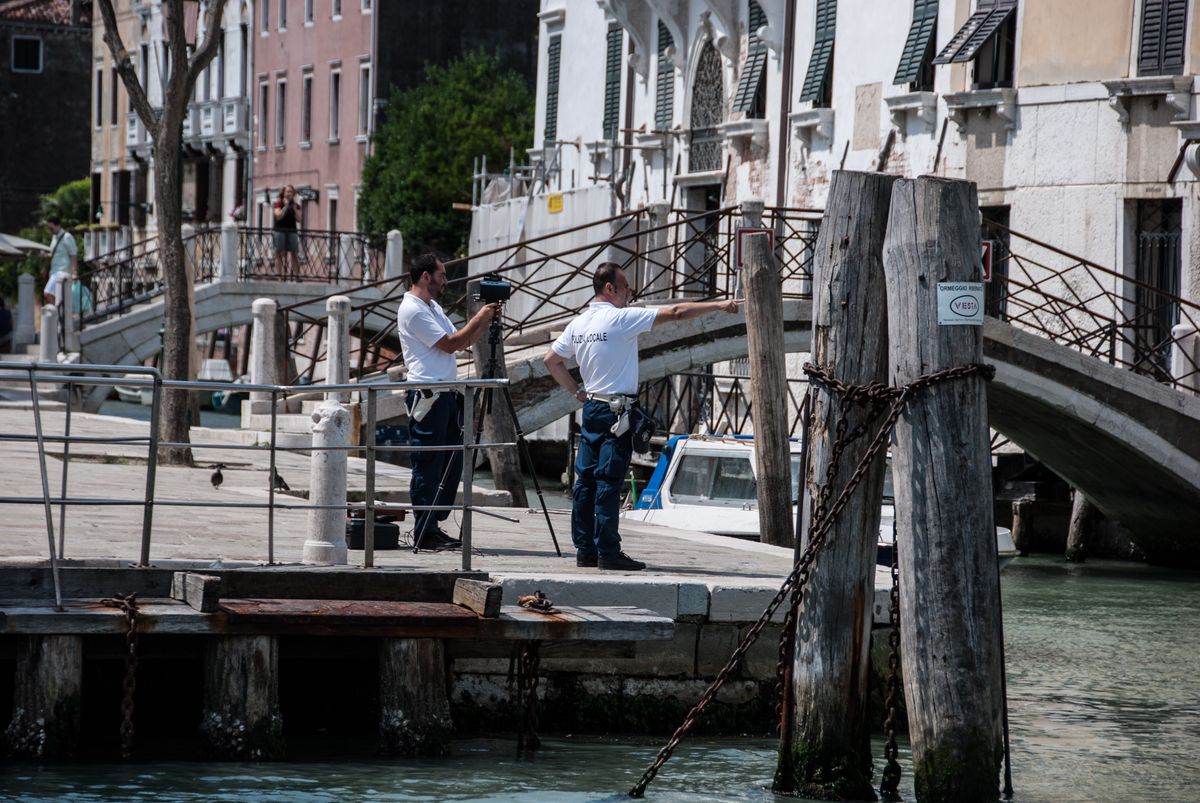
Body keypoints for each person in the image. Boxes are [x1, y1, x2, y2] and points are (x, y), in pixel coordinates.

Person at [544, 263, 740, 571]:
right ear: (610, 288)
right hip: (616, 411)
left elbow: (551, 361)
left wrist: (576, 392)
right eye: (626, 289)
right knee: (609, 480)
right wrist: (719, 305)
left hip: (592, 407)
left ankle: (585, 549)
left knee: (586, 481)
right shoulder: (620, 319)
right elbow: (675, 312)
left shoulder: (578, 324)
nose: (629, 295)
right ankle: (608, 552)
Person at [397, 253, 499, 551]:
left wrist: (486, 319)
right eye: (441, 274)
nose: (446, 280)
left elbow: (459, 339)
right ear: (425, 276)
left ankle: (434, 525)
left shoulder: (431, 306)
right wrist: (481, 317)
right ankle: (424, 531)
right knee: (428, 464)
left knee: (449, 463)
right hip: (427, 396)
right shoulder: (413, 310)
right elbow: (450, 344)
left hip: (446, 394)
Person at [42, 217, 78, 308]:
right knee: (58, 297)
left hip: (62, 271)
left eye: (51, 228)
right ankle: (59, 315)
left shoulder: (67, 237)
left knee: (47, 293)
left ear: (58, 225)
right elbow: (54, 254)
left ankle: (56, 315)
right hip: (54, 271)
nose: (50, 231)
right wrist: (45, 255)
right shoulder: (54, 237)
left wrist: (74, 273)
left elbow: (73, 255)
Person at [272, 185, 302, 279]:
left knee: (294, 253)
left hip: (292, 231)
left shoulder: (296, 205)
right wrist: (285, 206)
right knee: (279, 254)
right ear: (283, 193)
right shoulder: (278, 203)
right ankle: (279, 276)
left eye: (291, 192)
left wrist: (293, 208)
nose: (289, 194)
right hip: (279, 231)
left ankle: (297, 275)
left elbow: (299, 219)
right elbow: (278, 216)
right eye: (287, 192)